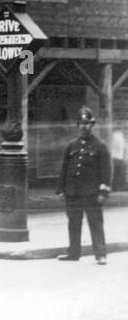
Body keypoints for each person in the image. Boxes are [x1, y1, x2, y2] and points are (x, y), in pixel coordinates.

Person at [56, 106, 112, 264]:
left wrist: (103, 192)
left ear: (92, 125)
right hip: (73, 193)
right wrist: (61, 190)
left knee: (95, 223)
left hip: (92, 194)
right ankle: (73, 253)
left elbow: (106, 171)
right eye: (81, 123)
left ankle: (101, 254)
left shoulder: (100, 146)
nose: (84, 126)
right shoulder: (72, 146)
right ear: (78, 125)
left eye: (87, 123)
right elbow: (65, 169)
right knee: (73, 223)